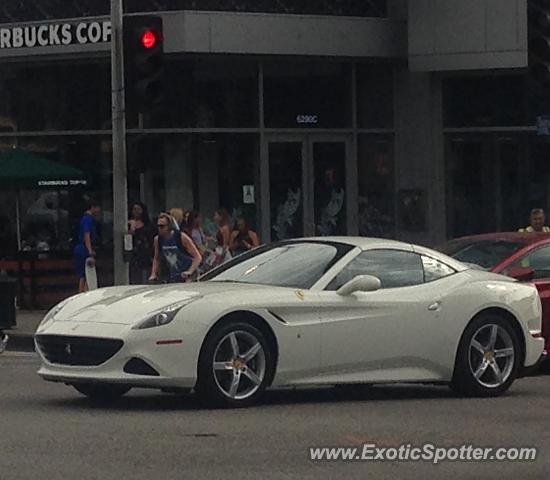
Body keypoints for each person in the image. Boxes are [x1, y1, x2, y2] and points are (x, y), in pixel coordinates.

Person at [149, 213, 202, 283]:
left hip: (187, 274)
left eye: (162, 226)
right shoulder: (158, 239)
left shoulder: (181, 237)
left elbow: (197, 257)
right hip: (173, 275)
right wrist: (153, 274)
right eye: (158, 226)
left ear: (169, 226)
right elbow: (156, 258)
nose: (159, 229)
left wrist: (190, 271)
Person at [73, 200, 100, 293]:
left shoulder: (86, 219)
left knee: (85, 275)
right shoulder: (88, 219)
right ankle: (82, 293)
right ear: (92, 207)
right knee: (85, 274)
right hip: (83, 249)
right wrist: (90, 251)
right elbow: (86, 235)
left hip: (82, 248)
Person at [128, 202, 154, 284]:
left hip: (145, 253)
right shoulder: (128, 223)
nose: (136, 212)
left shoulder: (148, 225)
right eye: (134, 209)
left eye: (138, 209)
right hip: (133, 253)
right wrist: (131, 228)